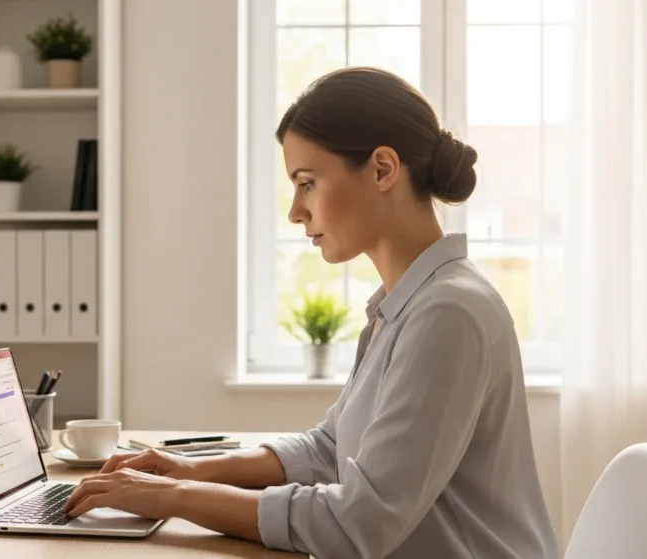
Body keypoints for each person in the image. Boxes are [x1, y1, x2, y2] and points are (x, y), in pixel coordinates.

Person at [63, 66, 560, 559]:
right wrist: (188, 469)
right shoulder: (407, 305)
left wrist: (173, 499)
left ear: (383, 169)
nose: (296, 212)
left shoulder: (449, 312)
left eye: (307, 183)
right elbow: (329, 448)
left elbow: (358, 523)